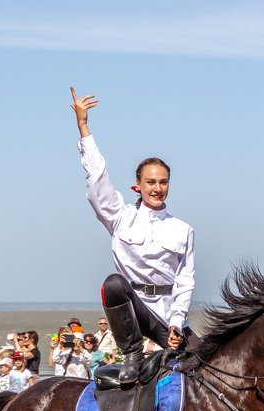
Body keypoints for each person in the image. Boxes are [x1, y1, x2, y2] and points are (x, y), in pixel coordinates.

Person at [72, 87, 195, 386]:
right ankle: (132, 354)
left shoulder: (183, 229)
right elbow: (98, 181)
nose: (157, 188)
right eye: (150, 182)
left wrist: (177, 323)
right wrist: (84, 128)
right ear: (137, 185)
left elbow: (185, 280)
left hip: (168, 318)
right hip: (135, 311)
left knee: (211, 366)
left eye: (163, 182)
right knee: (113, 284)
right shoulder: (120, 218)